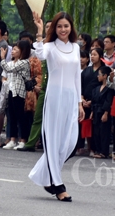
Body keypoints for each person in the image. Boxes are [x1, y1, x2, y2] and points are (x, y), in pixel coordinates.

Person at [28, 11, 82, 202]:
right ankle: (58, 185)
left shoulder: (75, 47)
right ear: (54, 28)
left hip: (71, 98)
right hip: (54, 97)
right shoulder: (49, 46)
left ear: (71, 27)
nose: (63, 29)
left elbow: (77, 76)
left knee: (69, 143)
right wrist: (40, 31)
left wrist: (79, 102)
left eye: (66, 26)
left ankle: (42, 174)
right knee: (52, 140)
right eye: (59, 26)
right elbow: (40, 55)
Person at [0, 39, 33, 150]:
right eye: (13, 49)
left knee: (21, 117)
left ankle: (23, 140)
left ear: (22, 50)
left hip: (20, 92)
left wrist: (3, 58)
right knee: (12, 116)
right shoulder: (13, 62)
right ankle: (13, 139)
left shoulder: (24, 62)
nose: (12, 51)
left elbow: (9, 69)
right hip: (11, 90)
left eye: (15, 49)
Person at [91, 65, 115, 158]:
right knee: (96, 132)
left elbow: (108, 101)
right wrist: (92, 112)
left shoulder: (110, 89)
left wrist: (105, 113)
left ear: (105, 76)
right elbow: (94, 100)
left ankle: (104, 152)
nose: (98, 76)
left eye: (100, 74)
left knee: (104, 132)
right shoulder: (96, 88)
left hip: (104, 111)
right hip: (96, 110)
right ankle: (97, 150)